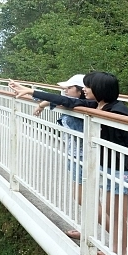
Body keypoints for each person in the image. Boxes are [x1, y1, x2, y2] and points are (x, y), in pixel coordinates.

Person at [9, 72, 128, 255]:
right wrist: (32, 92)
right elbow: (64, 100)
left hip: (126, 170)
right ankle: (117, 252)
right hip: (110, 167)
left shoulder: (119, 111)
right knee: (110, 209)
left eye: (88, 86)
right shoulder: (98, 106)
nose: (85, 90)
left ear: (99, 89)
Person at [32, 74, 86, 240]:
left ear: (81, 92)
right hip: (75, 155)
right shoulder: (73, 102)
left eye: (68, 88)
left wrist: (38, 99)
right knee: (83, 198)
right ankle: (86, 231)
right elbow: (55, 99)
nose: (64, 91)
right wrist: (41, 104)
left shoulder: (83, 106)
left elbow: (58, 99)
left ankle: (107, 239)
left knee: (83, 198)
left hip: (83, 157)